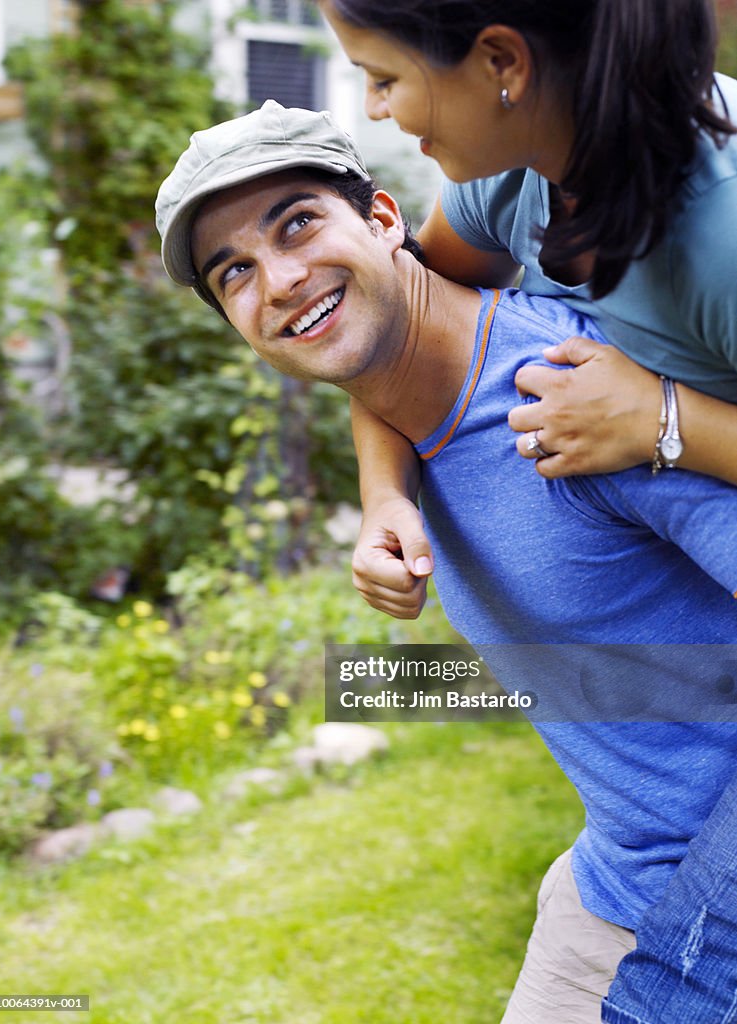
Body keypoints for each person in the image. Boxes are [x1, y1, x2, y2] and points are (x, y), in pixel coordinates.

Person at [155, 101, 737, 1024]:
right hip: (614, 877)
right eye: (235, 273)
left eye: (297, 223)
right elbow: (399, 380)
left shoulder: (566, 395)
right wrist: (383, 496)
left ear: (386, 220)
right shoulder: (410, 405)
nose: (281, 279)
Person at [317, 5, 737, 1021]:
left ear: (500, 60)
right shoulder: (516, 177)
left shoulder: (720, 238)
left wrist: (663, 419)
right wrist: (384, 492)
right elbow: (396, 316)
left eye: (383, 77)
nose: (377, 113)